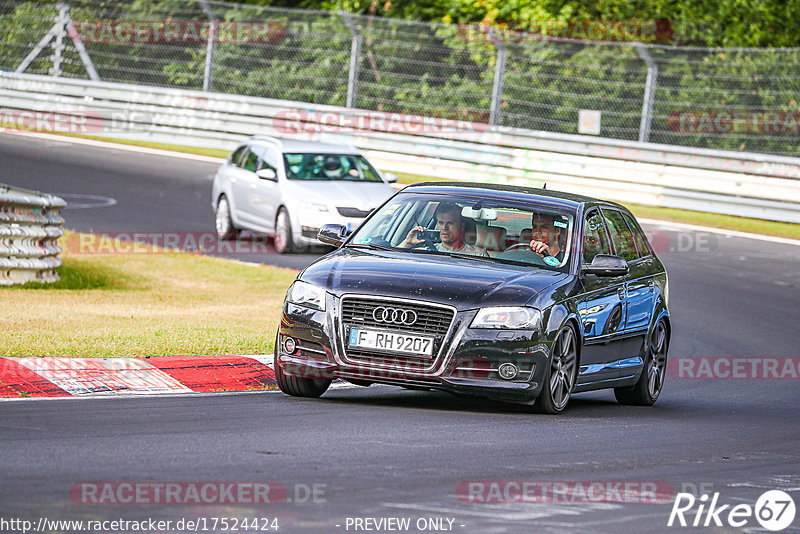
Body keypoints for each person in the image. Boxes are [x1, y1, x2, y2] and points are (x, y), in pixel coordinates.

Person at [400, 202, 489, 257]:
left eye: (450, 223)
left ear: (462, 226)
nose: (444, 228)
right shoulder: (426, 252)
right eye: (441, 223)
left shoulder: (478, 254)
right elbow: (390, 261)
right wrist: (408, 243)